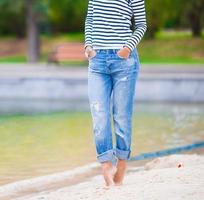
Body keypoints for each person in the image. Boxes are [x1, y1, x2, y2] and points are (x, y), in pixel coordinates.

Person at [84, 0, 147, 189]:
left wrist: (127, 48)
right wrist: (88, 46)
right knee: (99, 114)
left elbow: (142, 24)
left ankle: (122, 163)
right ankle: (106, 164)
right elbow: (90, 19)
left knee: (121, 116)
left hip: (124, 61)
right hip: (97, 62)